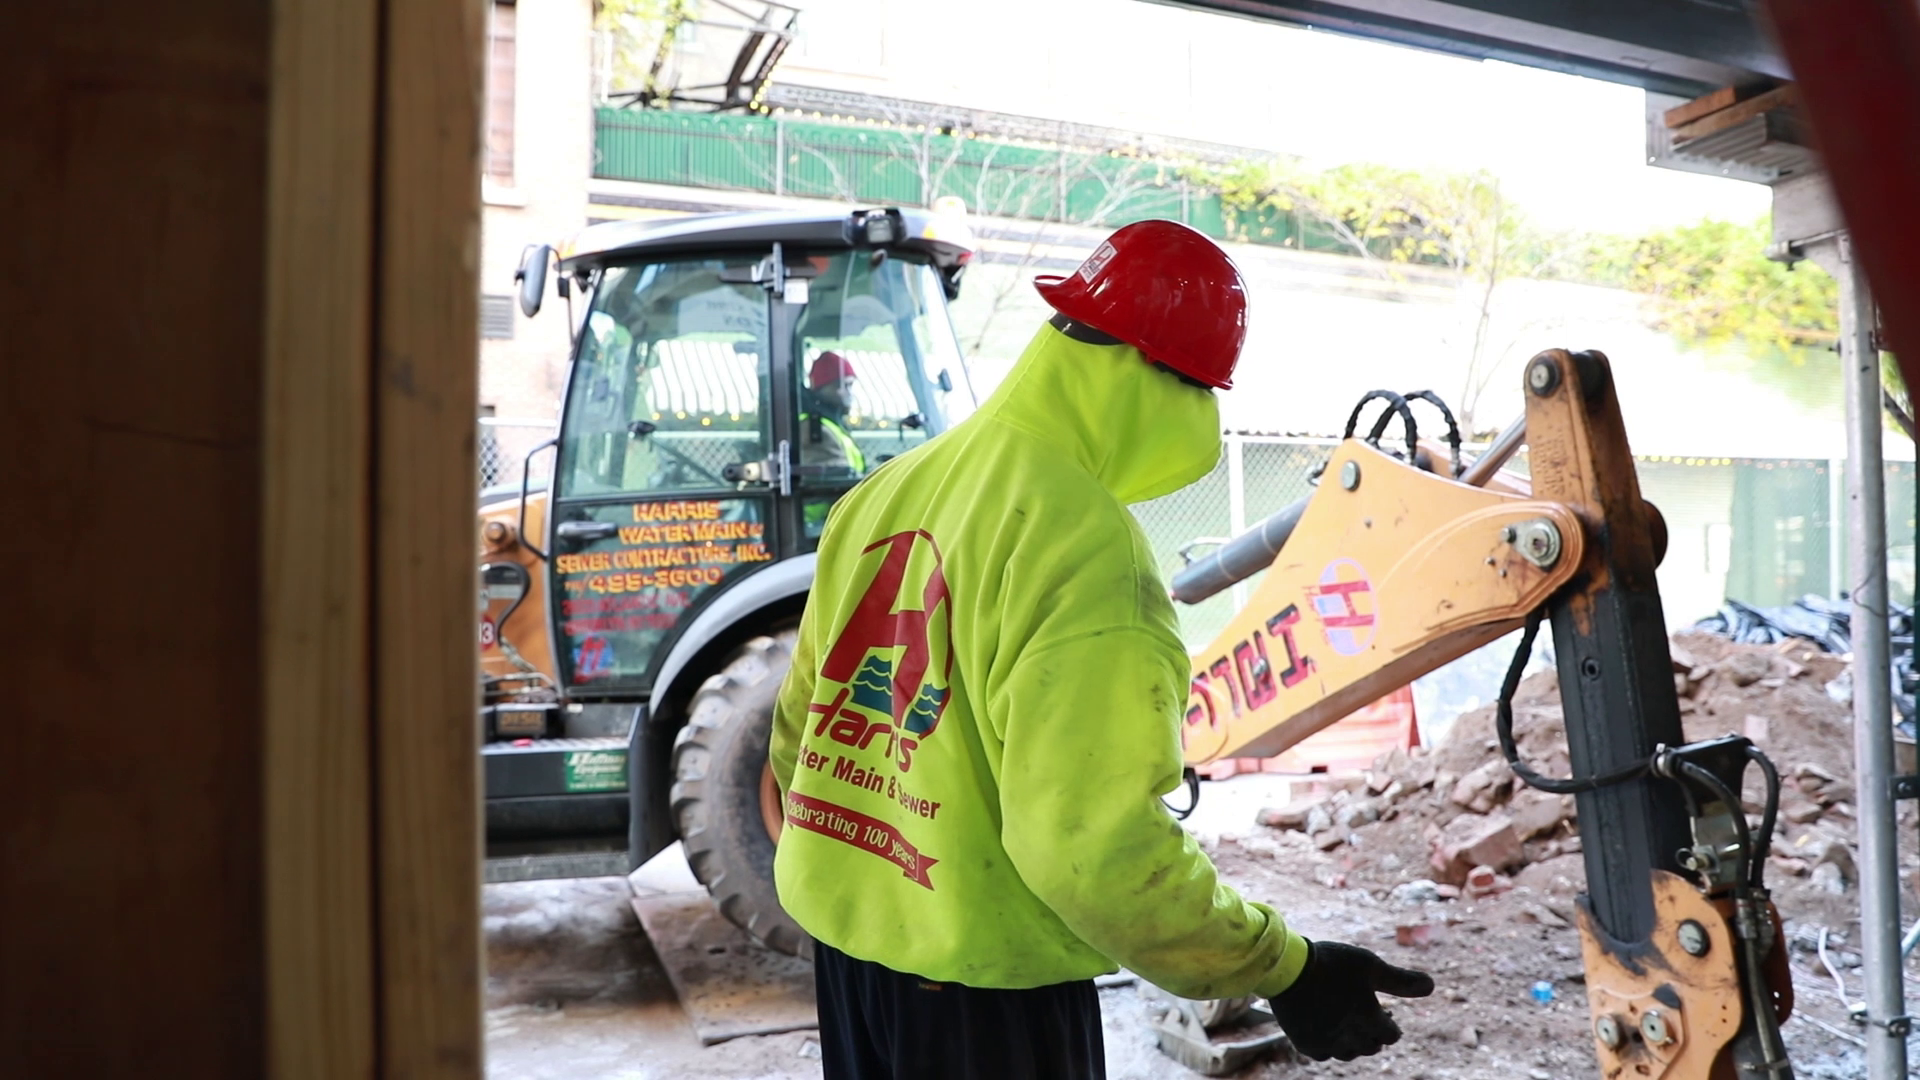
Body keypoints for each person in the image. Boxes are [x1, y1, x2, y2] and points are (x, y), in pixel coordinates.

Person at [769, 220, 1434, 1080]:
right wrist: (1285, 967)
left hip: (849, 957)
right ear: (1155, 383)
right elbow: (1090, 852)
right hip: (986, 992)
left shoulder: (887, 490)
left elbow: (798, 739)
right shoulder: (1083, 541)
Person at [801, 350, 866, 476]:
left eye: (850, 386)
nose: (849, 393)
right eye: (844, 386)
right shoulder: (814, 428)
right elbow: (836, 474)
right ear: (822, 388)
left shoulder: (830, 422)